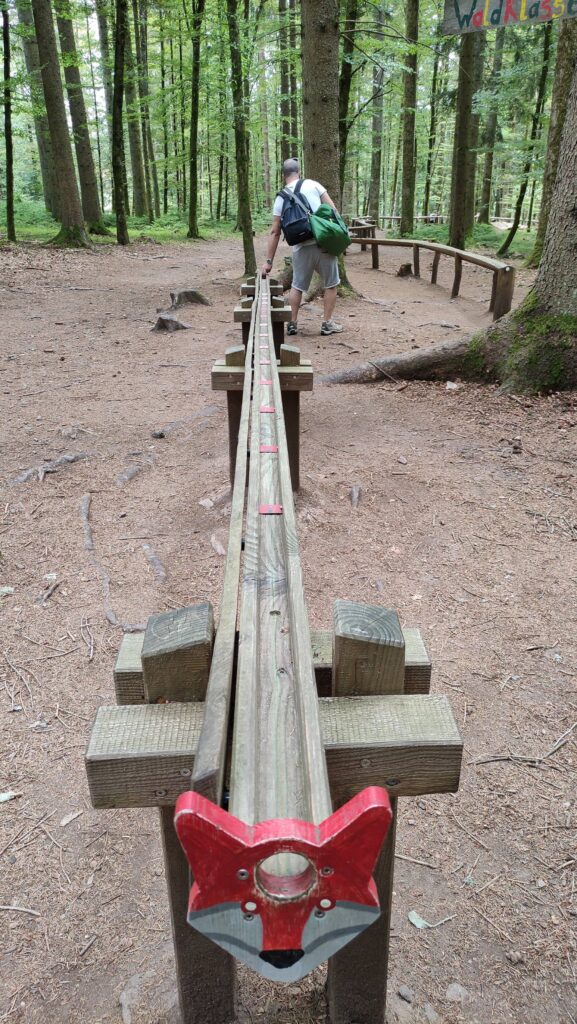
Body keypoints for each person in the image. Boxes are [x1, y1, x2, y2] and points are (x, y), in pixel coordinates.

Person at [261, 158, 343, 336]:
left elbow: (275, 232)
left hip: (300, 247)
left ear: (284, 176)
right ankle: (327, 323)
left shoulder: (281, 197)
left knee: (297, 286)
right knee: (331, 284)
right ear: (299, 172)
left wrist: (268, 261)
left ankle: (292, 323)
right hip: (323, 243)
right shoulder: (314, 185)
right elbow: (333, 210)